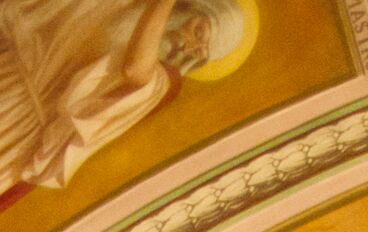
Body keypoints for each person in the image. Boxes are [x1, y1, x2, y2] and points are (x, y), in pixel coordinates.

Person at [0, 0, 247, 209]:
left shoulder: (163, 81)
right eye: (199, 31)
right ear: (192, 8)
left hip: (18, 126)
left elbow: (135, 68)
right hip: (10, 70)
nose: (188, 46)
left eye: (199, 54)